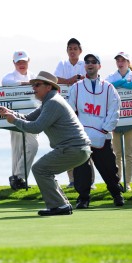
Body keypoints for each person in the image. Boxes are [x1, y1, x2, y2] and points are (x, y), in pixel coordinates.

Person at [0, 71, 91, 216]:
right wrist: (11, 113)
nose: (33, 88)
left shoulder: (52, 103)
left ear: (48, 87)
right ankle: (62, 205)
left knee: (40, 169)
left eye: (37, 85)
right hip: (76, 149)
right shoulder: (49, 102)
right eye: (33, 84)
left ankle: (59, 206)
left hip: (74, 148)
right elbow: (28, 118)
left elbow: (35, 127)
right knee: (44, 170)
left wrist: (14, 120)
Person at [68, 54, 124, 208]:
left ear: (99, 66)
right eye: (87, 62)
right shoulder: (77, 87)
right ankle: (83, 198)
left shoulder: (108, 88)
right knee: (81, 170)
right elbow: (70, 112)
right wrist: (77, 132)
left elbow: (114, 110)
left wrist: (105, 129)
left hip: (102, 136)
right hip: (82, 137)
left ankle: (116, 194)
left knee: (109, 169)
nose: (90, 64)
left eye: (93, 62)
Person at [1, 50, 39, 190]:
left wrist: (28, 83)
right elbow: (6, 83)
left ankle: (17, 176)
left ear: (28, 61)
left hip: (32, 118)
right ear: (14, 63)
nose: (21, 64)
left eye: (23, 61)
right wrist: (28, 84)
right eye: (18, 62)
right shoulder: (9, 77)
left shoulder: (35, 76)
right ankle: (17, 180)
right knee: (17, 150)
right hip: (14, 117)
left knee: (33, 146)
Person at [53, 37, 87, 188]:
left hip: (84, 109)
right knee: (67, 145)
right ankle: (72, 180)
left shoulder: (85, 64)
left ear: (80, 51)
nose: (72, 51)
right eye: (70, 49)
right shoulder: (62, 64)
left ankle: (88, 180)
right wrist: (69, 80)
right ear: (67, 51)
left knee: (85, 145)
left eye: (75, 49)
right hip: (66, 110)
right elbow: (54, 79)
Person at [105, 51, 132, 191]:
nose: (120, 62)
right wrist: (122, 83)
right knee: (117, 153)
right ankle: (118, 182)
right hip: (115, 120)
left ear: (128, 62)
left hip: (131, 119)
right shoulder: (111, 76)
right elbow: (107, 87)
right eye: (118, 60)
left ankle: (128, 183)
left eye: (123, 60)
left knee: (129, 152)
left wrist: (122, 84)